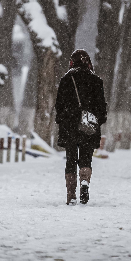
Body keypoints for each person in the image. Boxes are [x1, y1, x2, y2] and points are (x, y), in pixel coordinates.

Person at [55, 49, 107, 205]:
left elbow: (59, 105)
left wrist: (62, 119)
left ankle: (71, 194)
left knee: (71, 158)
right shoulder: (96, 81)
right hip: (88, 125)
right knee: (86, 157)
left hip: (69, 125)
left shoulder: (66, 80)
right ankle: (84, 182)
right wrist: (97, 120)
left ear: (72, 62)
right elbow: (102, 108)